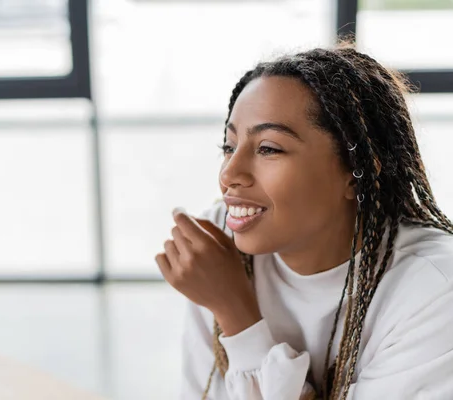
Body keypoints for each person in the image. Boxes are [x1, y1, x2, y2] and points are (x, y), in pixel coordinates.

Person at [155, 43, 453, 400]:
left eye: (268, 148)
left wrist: (235, 312)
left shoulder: (433, 289)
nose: (229, 174)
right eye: (229, 146)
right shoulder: (219, 241)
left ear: (355, 174)